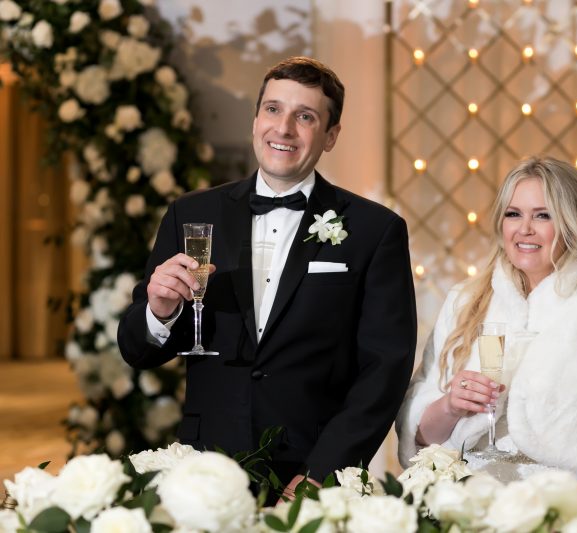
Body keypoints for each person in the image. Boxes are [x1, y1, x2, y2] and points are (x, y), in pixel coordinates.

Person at [118, 56, 417, 497]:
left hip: (312, 472)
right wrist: (158, 311)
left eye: (306, 116)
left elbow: (384, 370)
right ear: (256, 119)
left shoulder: (376, 231)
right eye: (273, 110)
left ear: (331, 136)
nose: (284, 128)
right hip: (206, 469)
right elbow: (136, 350)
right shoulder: (191, 214)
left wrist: (326, 470)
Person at [396, 156, 577, 497]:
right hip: (465, 499)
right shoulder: (465, 302)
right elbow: (420, 441)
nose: (525, 229)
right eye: (514, 214)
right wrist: (451, 406)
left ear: (573, 224)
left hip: (565, 504)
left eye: (543, 215)